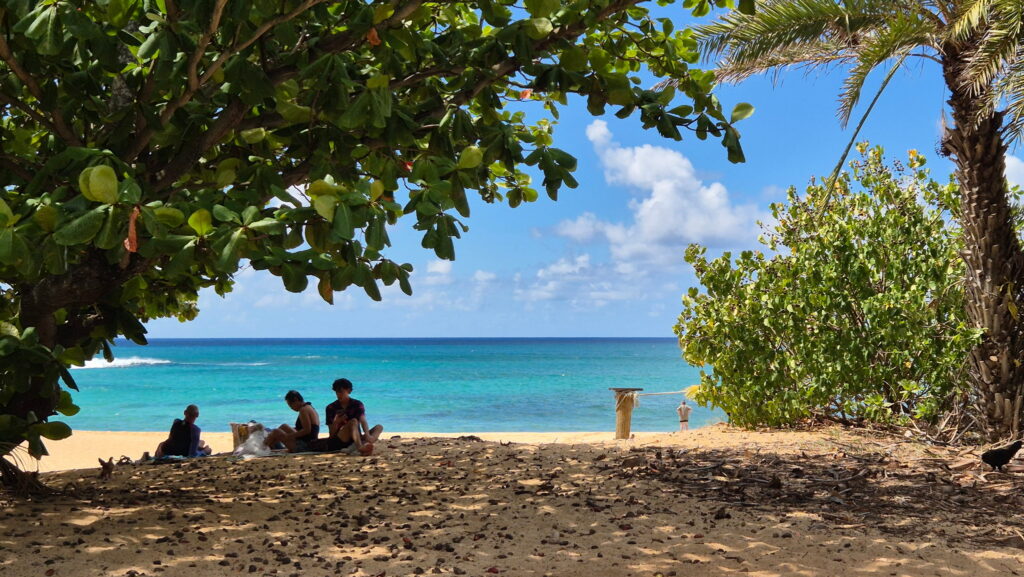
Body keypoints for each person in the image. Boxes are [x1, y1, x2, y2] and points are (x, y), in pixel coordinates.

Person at [325, 378, 383, 455]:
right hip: (340, 439)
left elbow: (363, 420)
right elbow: (331, 434)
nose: (338, 395)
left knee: (379, 427)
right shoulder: (331, 407)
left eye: (341, 392)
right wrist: (337, 422)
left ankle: (360, 445)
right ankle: (360, 448)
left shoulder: (357, 404)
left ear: (349, 391)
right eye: (337, 392)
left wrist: (367, 435)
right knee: (353, 421)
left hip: (356, 437)